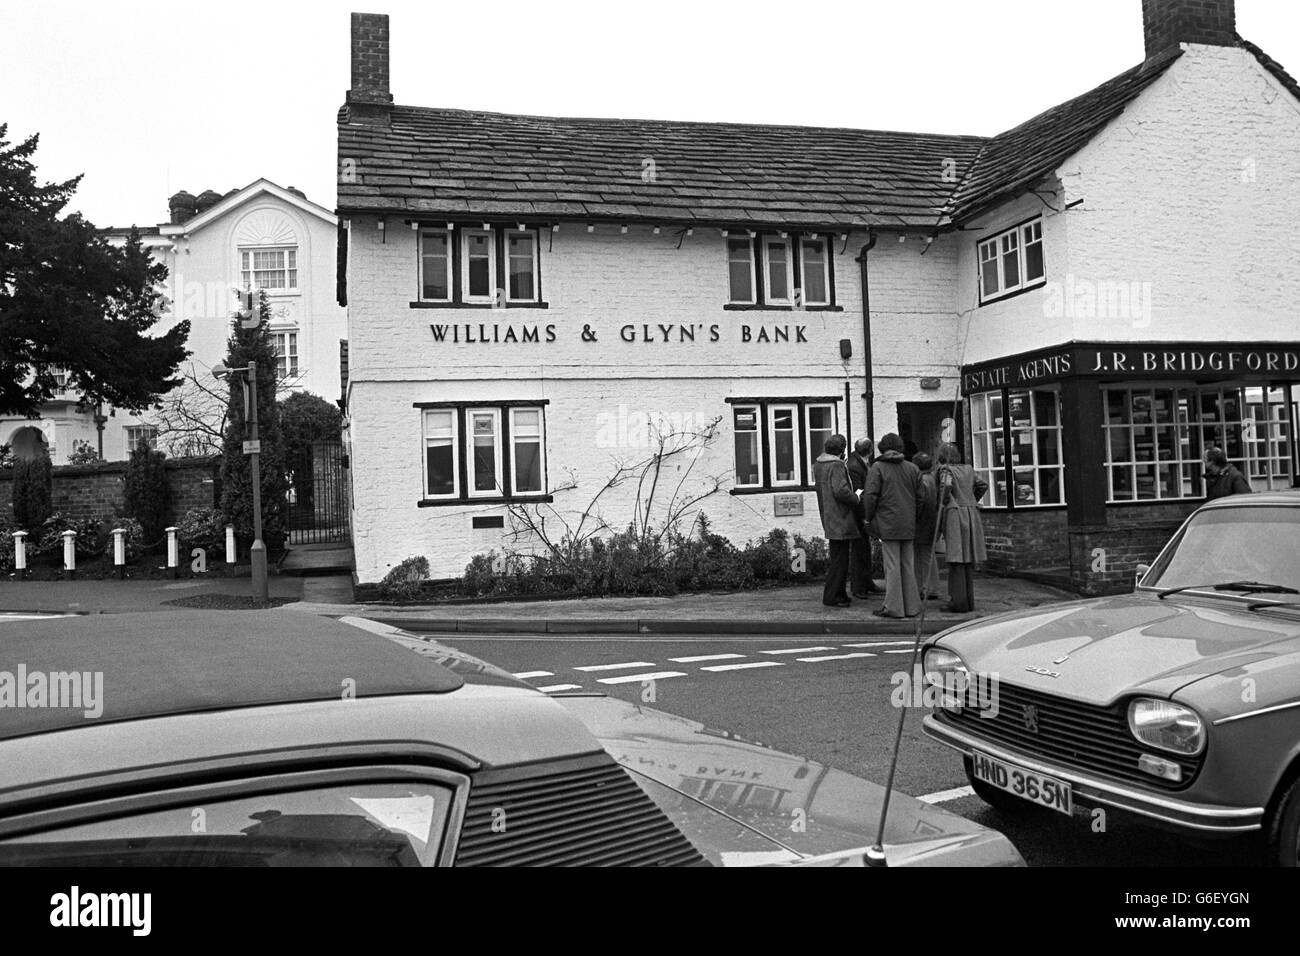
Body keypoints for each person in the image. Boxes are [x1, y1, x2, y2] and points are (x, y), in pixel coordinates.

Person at [861, 433, 922, 619]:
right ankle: (912, 607)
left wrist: (868, 517)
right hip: (908, 521)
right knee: (907, 565)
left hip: (888, 522)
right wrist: (914, 516)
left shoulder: (877, 468)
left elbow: (870, 496)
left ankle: (893, 607)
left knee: (892, 566)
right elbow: (921, 498)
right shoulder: (913, 468)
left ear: (882, 448)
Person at [934, 443, 987, 613]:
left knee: (956, 560)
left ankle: (957, 602)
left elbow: (946, 486)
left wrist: (944, 502)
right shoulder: (968, 469)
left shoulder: (945, 469)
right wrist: (971, 501)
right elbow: (982, 485)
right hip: (971, 514)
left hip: (955, 514)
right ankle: (968, 601)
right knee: (967, 561)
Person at [813, 434, 862, 608]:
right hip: (840, 516)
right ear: (841, 449)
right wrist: (856, 497)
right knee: (840, 560)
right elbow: (841, 491)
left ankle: (839, 593)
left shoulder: (819, 464)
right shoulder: (836, 465)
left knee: (838, 558)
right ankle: (833, 596)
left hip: (828, 514)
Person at [846, 438, 882, 596]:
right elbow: (858, 492)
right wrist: (865, 516)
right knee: (859, 550)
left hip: (860, 513)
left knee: (864, 549)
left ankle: (867, 583)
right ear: (870, 450)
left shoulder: (859, 462)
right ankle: (859, 587)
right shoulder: (855, 466)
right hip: (858, 514)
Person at [913, 452, 941, 600]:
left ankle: (928, 588)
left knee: (923, 556)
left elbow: (921, 501)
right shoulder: (933, 478)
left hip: (923, 522)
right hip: (931, 520)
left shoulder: (922, 480)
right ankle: (927, 587)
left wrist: (914, 516)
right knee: (927, 555)